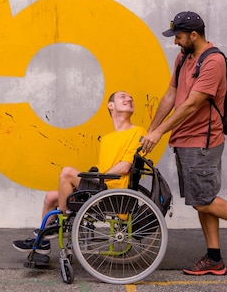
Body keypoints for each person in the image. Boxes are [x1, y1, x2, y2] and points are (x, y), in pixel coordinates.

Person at [140, 11, 227, 276]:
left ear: (194, 35)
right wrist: (151, 130)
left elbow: (192, 104)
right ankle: (214, 258)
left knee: (203, 201)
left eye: (178, 36)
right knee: (202, 200)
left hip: (203, 140)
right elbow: (171, 95)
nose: (175, 42)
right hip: (184, 139)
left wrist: (161, 133)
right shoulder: (183, 57)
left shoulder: (213, 62)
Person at [13, 91, 147, 255]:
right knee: (50, 197)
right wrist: (93, 176)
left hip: (114, 192)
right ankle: (42, 245)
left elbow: (125, 166)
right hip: (101, 187)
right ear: (110, 105)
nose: (130, 98)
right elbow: (102, 167)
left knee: (67, 172)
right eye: (123, 97)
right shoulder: (107, 139)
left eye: (130, 97)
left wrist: (97, 179)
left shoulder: (138, 132)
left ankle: (61, 224)